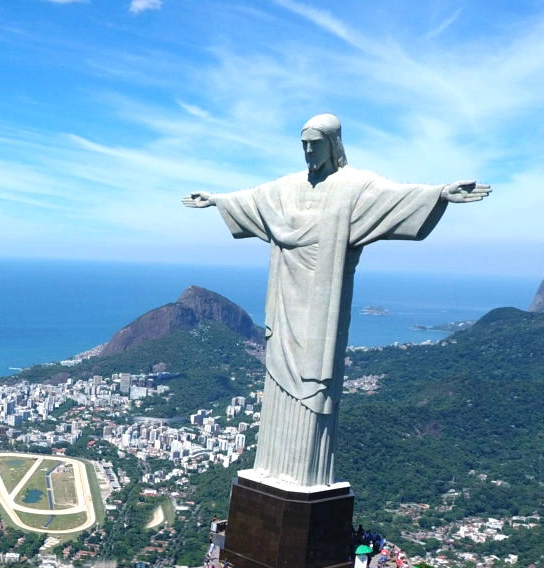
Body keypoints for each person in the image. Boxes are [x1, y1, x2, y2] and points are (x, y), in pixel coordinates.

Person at [184, 120, 489, 486]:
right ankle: (273, 466)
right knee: (278, 381)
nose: (308, 152)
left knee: (315, 383)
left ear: (332, 144)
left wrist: (440, 193)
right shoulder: (287, 188)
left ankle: (306, 473)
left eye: (315, 144)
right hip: (284, 302)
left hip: (322, 307)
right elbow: (253, 200)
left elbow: (398, 197)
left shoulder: (354, 186)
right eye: (303, 145)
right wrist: (217, 199)